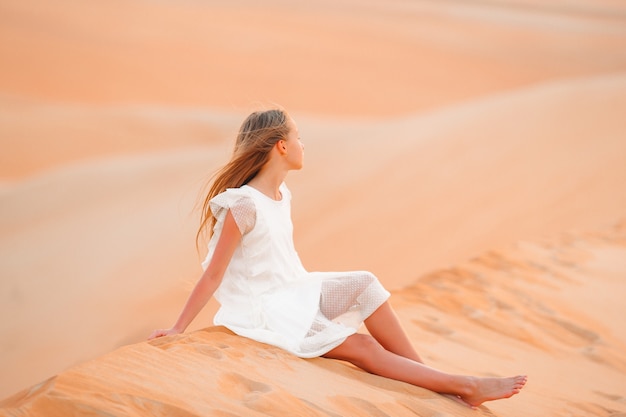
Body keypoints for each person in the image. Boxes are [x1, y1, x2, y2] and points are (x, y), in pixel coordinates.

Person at [149, 108, 527, 408]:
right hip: (264, 310)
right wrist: (179, 328)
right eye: (298, 137)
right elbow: (214, 275)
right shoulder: (244, 205)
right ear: (281, 146)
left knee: (365, 284)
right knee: (363, 348)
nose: (302, 144)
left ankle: (428, 376)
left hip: (294, 291)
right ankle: (466, 385)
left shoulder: (282, 196)